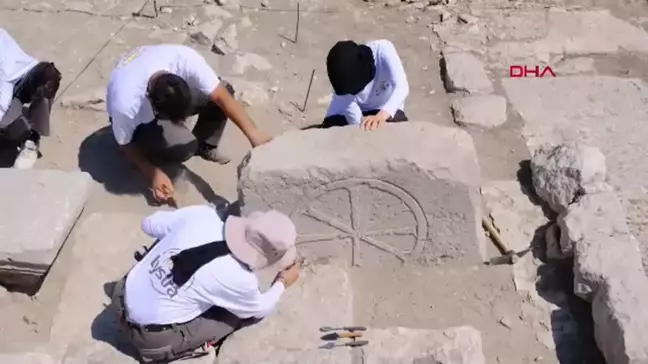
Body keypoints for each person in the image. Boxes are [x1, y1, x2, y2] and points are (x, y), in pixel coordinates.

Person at [112, 205, 301, 363]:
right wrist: (282, 282)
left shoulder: (203, 215)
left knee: (170, 236)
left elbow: (149, 224)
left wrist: (180, 224)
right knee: (233, 315)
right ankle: (184, 350)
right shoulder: (240, 278)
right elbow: (259, 309)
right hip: (149, 339)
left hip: (120, 295)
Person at [106, 44, 271, 205]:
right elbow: (125, 144)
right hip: (137, 114)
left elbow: (221, 96)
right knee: (184, 149)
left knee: (225, 90)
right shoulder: (126, 104)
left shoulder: (185, 59)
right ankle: (155, 147)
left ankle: (206, 145)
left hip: (155, 86)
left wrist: (253, 133)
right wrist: (154, 173)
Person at [0, 28, 62, 169]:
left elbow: (5, 84)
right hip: (7, 87)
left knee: (47, 78)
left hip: (21, 79)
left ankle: (31, 139)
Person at [322, 39, 410, 131]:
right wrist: (363, 125)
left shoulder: (383, 50)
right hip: (344, 113)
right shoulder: (342, 83)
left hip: (384, 109)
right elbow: (353, 116)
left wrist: (381, 116)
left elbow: (402, 86)